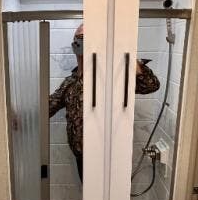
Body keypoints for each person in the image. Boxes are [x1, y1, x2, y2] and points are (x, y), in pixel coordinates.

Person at [49, 23, 160, 181]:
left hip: (111, 156)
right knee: (90, 195)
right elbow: (49, 106)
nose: (83, 42)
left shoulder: (113, 77)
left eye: (88, 38)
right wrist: (20, 115)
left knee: (113, 196)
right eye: (79, 38)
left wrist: (121, 52)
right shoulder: (70, 82)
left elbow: (150, 85)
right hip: (82, 158)